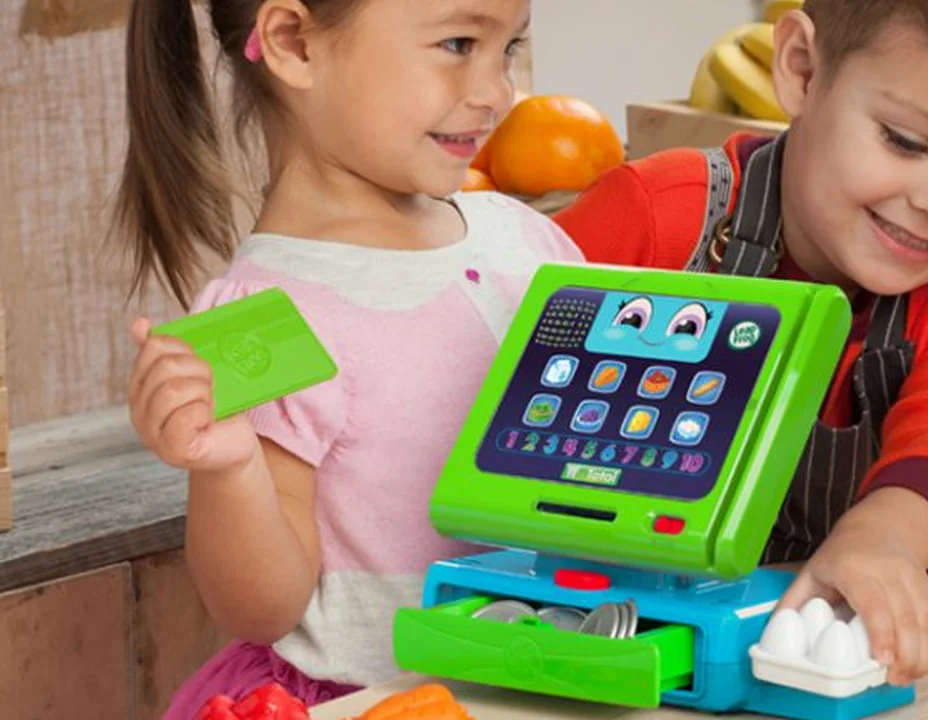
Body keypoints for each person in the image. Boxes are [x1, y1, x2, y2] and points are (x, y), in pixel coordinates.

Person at [554, 0, 928, 689]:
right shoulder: (654, 219)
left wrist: (885, 541)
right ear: (801, 69)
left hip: (799, 673)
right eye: (906, 141)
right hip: (576, 645)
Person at [113, 0, 581, 715]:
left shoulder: (523, 238)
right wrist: (231, 467)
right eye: (458, 44)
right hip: (368, 698)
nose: (496, 91)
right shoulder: (260, 317)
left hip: (544, 676)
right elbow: (261, 610)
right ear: (295, 42)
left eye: (507, 48)